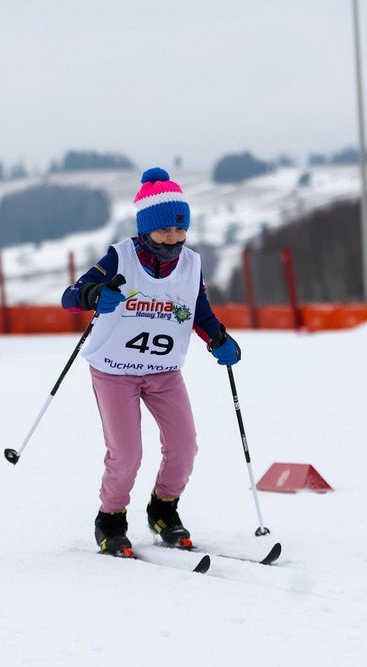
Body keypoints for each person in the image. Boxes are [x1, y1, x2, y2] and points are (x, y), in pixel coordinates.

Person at [61, 167, 241, 556]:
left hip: (164, 371)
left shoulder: (191, 264)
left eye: (179, 229)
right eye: (163, 230)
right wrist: (94, 294)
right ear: (145, 229)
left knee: (184, 447)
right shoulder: (120, 258)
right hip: (114, 371)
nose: (173, 237)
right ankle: (110, 520)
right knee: (127, 454)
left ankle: (163, 509)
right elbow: (70, 296)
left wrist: (219, 339)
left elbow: (199, 311)